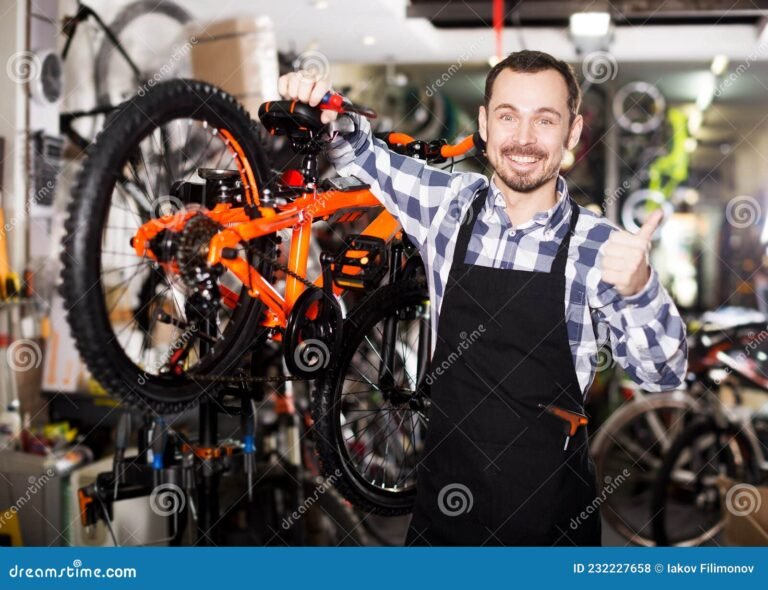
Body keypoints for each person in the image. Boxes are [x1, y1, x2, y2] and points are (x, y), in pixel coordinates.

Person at [277, 49, 687, 546]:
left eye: (545, 120)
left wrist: (642, 289)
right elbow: (364, 155)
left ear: (572, 133)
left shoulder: (600, 246)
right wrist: (322, 103)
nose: (524, 139)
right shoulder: (447, 205)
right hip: (444, 520)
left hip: (551, 525)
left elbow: (661, 374)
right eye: (508, 116)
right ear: (484, 124)